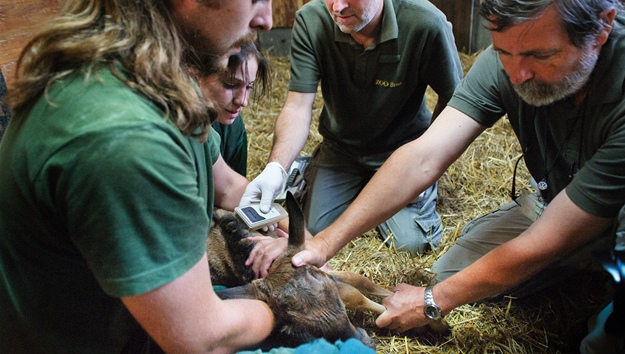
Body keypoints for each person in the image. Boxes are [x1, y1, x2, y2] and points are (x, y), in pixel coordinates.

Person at [285, 0, 625, 352]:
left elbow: (554, 235)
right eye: (503, 52)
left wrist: (433, 300)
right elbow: (424, 156)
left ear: (602, 27)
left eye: (540, 56)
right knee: (452, 275)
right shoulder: (508, 60)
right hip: (563, 201)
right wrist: (325, 243)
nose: (516, 74)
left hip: (614, 218)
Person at [0, 0, 274, 353]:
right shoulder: (128, 136)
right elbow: (202, 338)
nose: (266, 19)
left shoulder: (154, 82)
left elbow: (228, 186)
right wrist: (282, 307)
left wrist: (290, 233)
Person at [239, 0, 463, 264]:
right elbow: (298, 106)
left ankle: (383, 190)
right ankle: (306, 172)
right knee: (314, 230)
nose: (338, 7)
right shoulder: (311, 20)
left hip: (403, 153)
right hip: (342, 150)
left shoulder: (425, 22)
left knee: (410, 243)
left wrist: (429, 160)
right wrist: (276, 167)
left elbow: (456, 102)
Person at [201, 42, 272, 177]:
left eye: (249, 86)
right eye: (231, 84)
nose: (243, 101)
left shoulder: (233, 126)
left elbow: (233, 188)